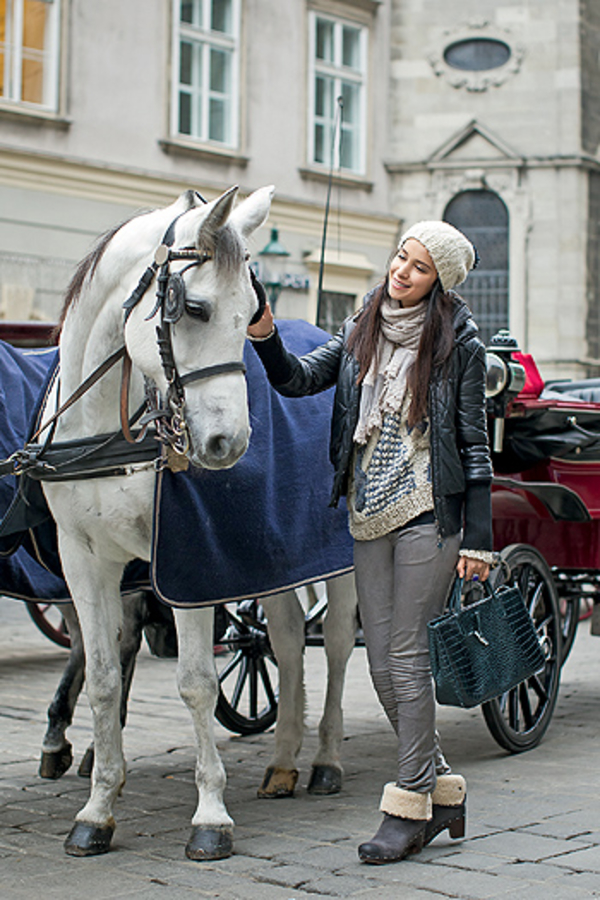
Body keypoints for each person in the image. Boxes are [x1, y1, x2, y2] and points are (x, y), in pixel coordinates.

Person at [247, 221, 494, 864]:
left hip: (427, 513)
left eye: (418, 266)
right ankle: (442, 788)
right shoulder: (363, 325)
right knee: (382, 664)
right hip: (366, 511)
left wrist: (481, 539)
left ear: (439, 279)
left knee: (406, 656)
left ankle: (409, 804)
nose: (402, 272)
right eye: (400, 258)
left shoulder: (458, 342)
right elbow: (297, 381)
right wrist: (267, 336)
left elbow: (473, 445)